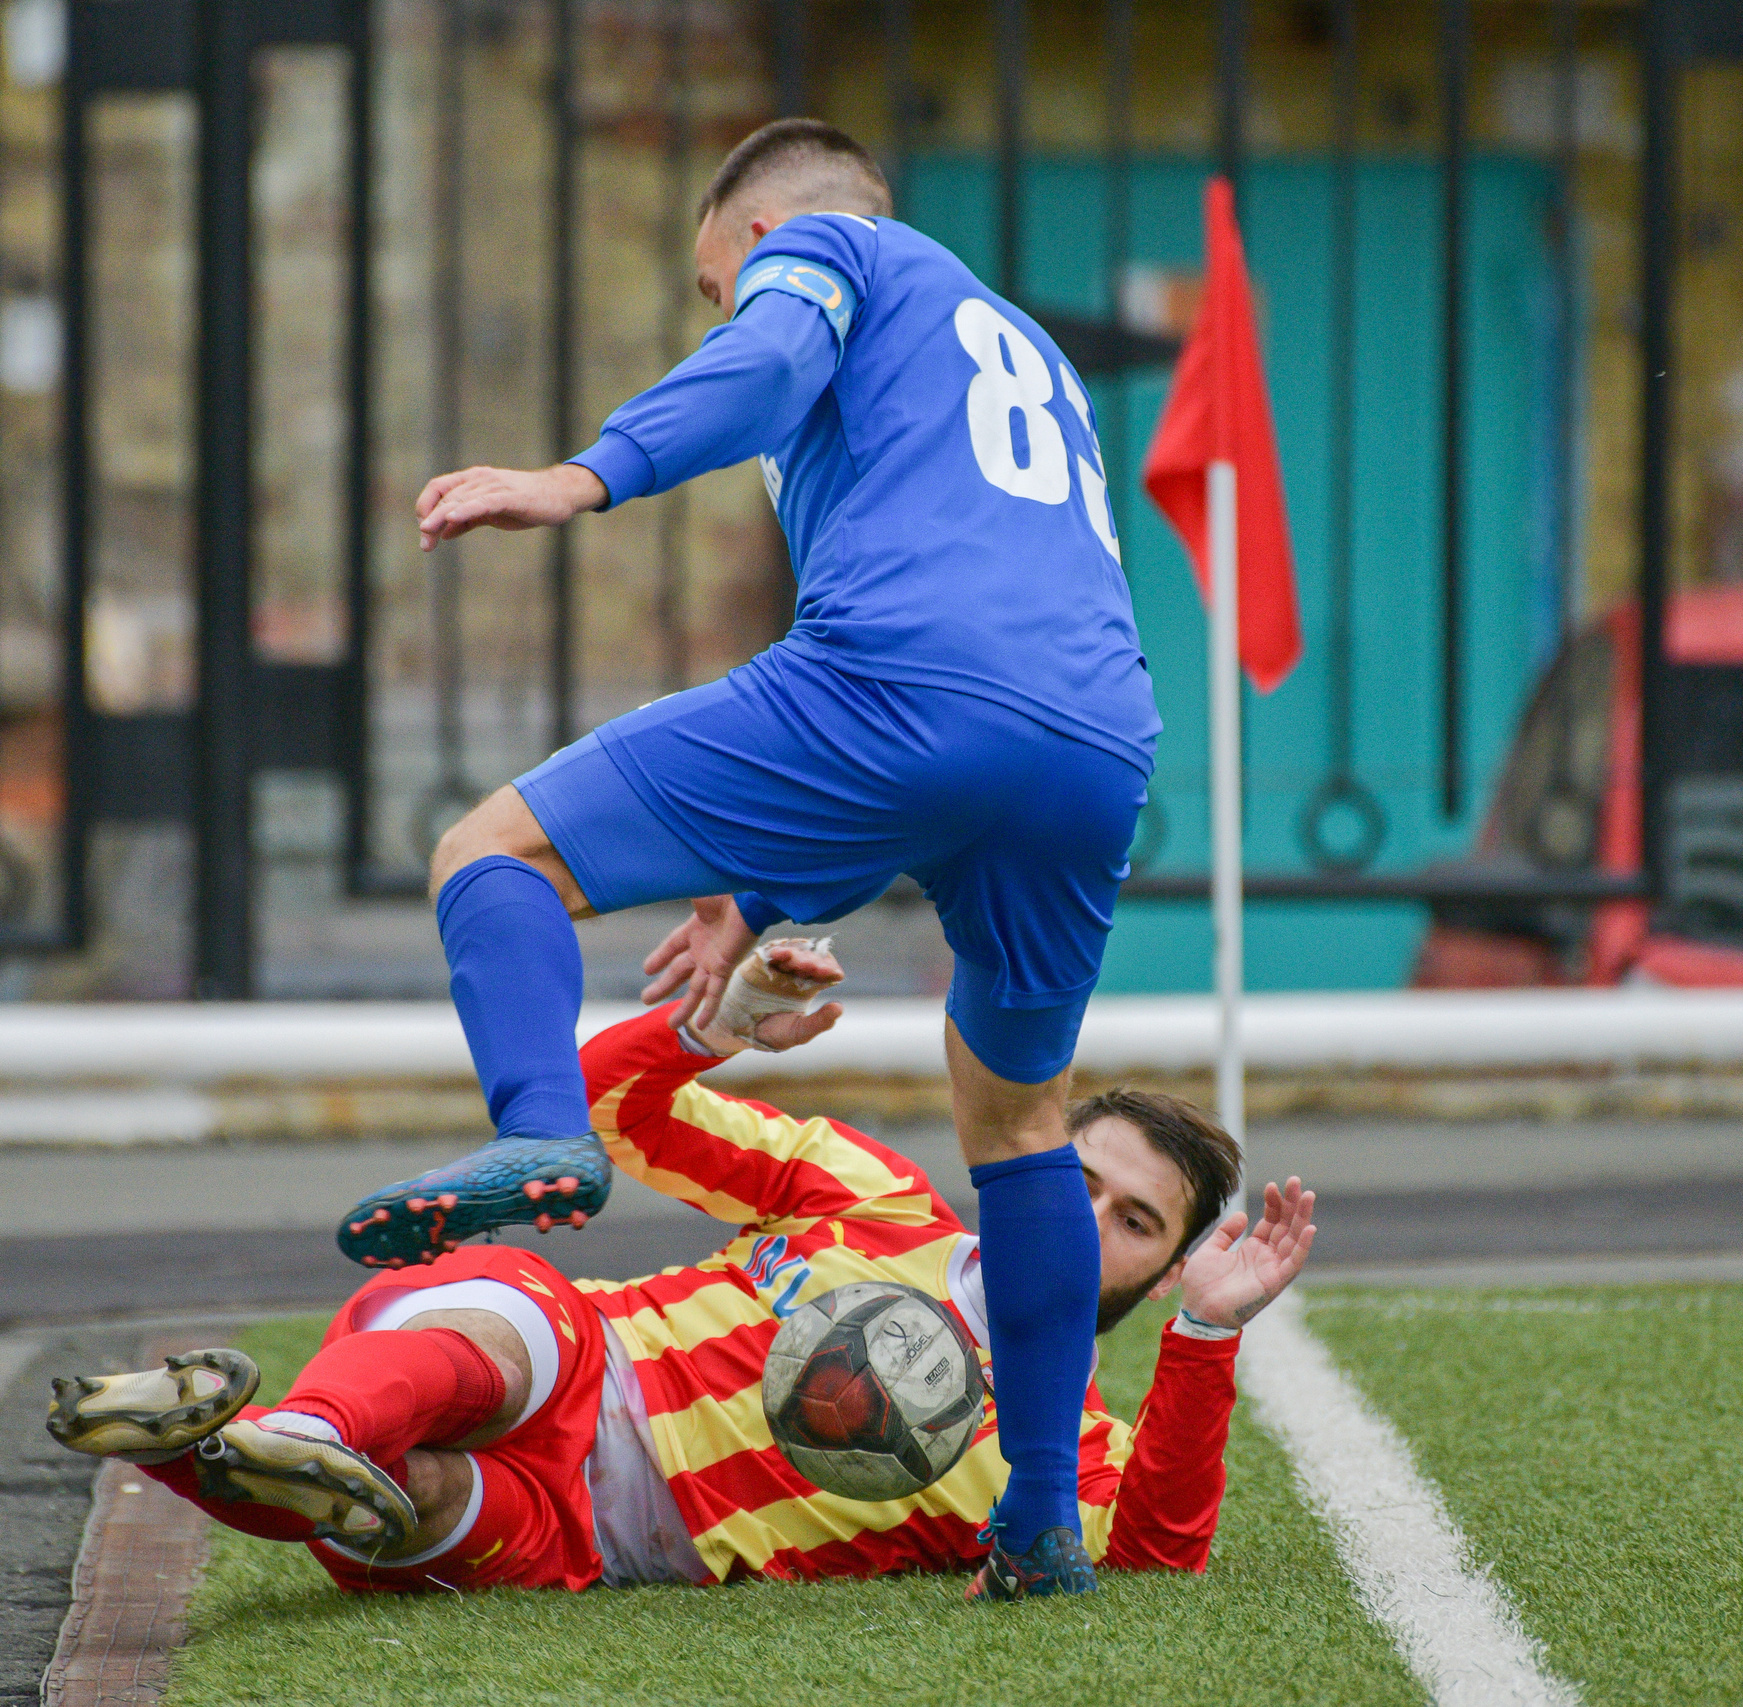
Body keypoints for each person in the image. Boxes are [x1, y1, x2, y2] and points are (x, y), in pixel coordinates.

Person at [340, 115, 1160, 1597]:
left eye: (722, 288)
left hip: (904, 679)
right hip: (1097, 738)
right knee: (1022, 1123)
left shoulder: (831, 256)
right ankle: (1041, 1518)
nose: (735, 313)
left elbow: (776, 368)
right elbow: (954, 700)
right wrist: (764, 884)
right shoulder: (1020, 346)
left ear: (769, 241)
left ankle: (542, 1127)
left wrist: (581, 476)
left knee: (493, 850)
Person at [50, 967, 1312, 1600]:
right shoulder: (868, 1198)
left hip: (596, 1542)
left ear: (1155, 1276)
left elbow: (1154, 1557)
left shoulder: (1064, 1462)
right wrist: (719, 1023)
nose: (1089, 1224)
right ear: (1024, 1159)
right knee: (498, 1326)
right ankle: (305, 1434)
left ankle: (221, 1451)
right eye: (1078, 1181)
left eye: (1136, 1222)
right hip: (578, 1356)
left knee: (410, 1504)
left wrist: (1209, 1331)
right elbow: (610, 1107)